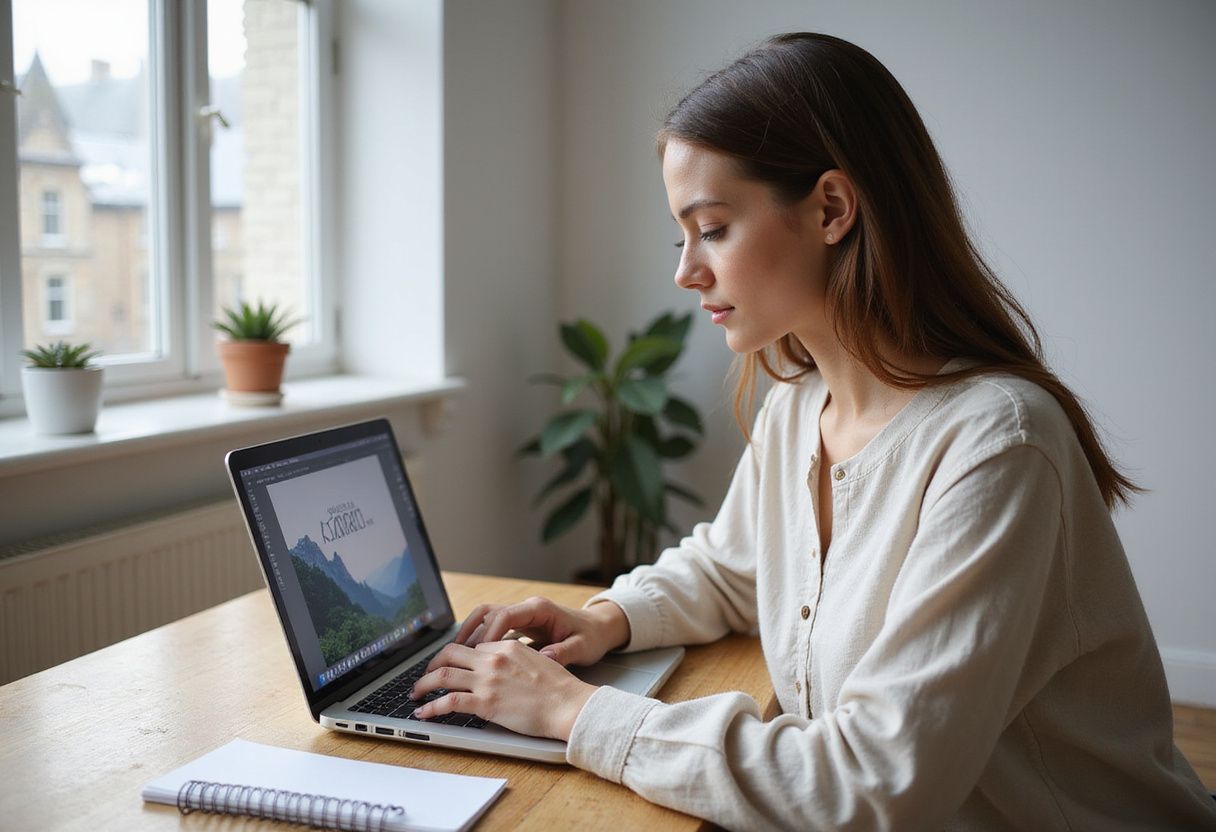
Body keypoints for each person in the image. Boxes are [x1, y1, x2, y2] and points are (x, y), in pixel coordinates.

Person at [410, 33, 1216, 830]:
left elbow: (872, 785)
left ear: (831, 208)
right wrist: (604, 619)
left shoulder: (997, 445)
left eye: (714, 228)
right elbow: (732, 571)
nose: (686, 271)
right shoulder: (798, 410)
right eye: (681, 236)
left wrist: (578, 716)